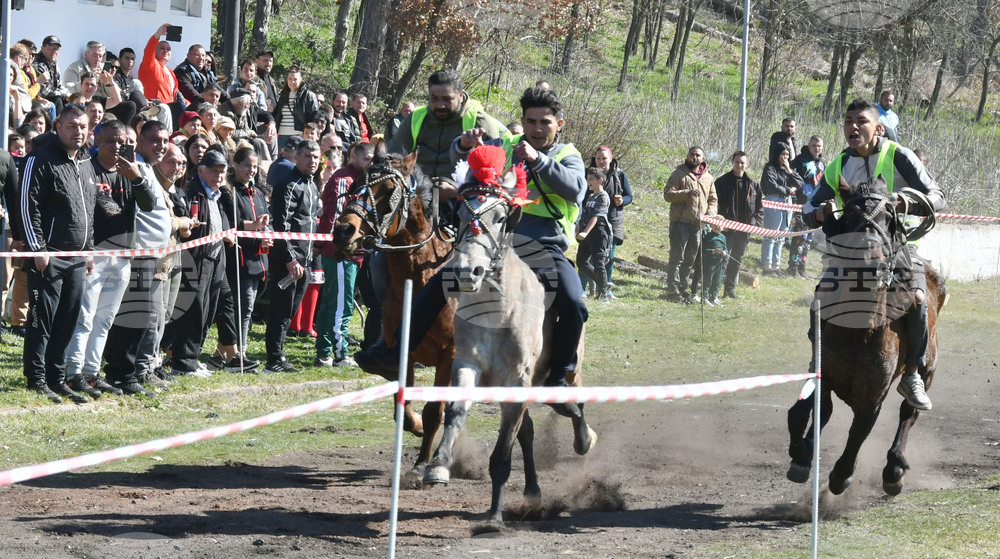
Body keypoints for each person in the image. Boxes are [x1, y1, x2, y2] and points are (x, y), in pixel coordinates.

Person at [358, 86, 588, 389]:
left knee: (573, 302)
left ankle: (561, 372)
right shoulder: (506, 145)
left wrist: (538, 161)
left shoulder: (568, 155)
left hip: (542, 248)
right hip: (492, 245)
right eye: (530, 121)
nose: (536, 129)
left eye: (544, 122)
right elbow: (469, 159)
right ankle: (394, 350)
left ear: (560, 124)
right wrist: (462, 145)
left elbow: (575, 189)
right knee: (438, 285)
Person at [803, 97, 946, 411]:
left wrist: (907, 201)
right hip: (850, 249)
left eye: (861, 121)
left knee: (919, 299)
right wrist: (818, 214)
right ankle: (817, 364)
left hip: (898, 246)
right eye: (848, 121)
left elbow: (938, 197)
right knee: (820, 296)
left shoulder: (900, 156)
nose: (852, 127)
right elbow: (808, 207)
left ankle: (911, 373)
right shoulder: (839, 163)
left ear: (878, 127)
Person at [63, 120, 158, 398]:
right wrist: (88, 250)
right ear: (96, 141)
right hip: (95, 255)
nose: (116, 147)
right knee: (85, 318)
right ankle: (73, 373)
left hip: (122, 256)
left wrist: (136, 178)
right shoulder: (87, 169)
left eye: (121, 142)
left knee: (105, 319)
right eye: (110, 141)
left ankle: (92, 374)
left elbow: (149, 204)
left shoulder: (128, 171)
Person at [20, 106, 97, 404]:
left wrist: (89, 250)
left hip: (78, 258)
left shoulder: (86, 161)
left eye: (83, 126)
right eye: (72, 125)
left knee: (67, 320)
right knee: (42, 322)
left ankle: (57, 378)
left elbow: (89, 211)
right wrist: (37, 249)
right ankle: (37, 379)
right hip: (49, 256)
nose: (78, 131)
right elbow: (28, 206)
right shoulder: (40, 159)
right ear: (57, 126)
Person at [164, 148, 232, 377]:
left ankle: (193, 357)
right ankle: (183, 362)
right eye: (214, 171)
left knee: (208, 311)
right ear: (201, 170)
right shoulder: (191, 192)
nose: (219, 176)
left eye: (223, 171)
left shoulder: (219, 195)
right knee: (192, 311)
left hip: (214, 259)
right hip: (195, 260)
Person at [314, 142, 374, 368]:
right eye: (366, 158)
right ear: (353, 157)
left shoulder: (361, 180)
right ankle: (339, 353)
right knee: (341, 304)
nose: (370, 163)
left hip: (352, 253)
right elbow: (335, 216)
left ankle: (324, 352)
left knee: (335, 301)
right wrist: (340, 246)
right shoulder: (344, 179)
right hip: (341, 252)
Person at [263, 140, 321, 374]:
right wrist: (290, 260)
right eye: (307, 156)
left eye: (316, 157)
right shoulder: (288, 184)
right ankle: (273, 358)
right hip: (288, 260)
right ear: (297, 157)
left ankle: (278, 353)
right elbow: (281, 225)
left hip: (305, 260)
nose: (312, 161)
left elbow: (310, 222)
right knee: (280, 310)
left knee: (290, 310)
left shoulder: (312, 186)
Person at [387, 68, 505, 179]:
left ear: (461, 96)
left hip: (464, 194)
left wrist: (455, 189)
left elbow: (495, 172)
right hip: (416, 192)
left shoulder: (480, 122)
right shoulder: (415, 118)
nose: (440, 105)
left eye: (447, 99)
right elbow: (393, 160)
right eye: (434, 99)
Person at [220, 145, 270, 369]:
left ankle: (221, 352)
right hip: (239, 258)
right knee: (244, 308)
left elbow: (265, 223)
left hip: (258, 258)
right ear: (236, 166)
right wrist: (256, 227)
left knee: (246, 307)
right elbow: (234, 224)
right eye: (247, 165)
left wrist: (265, 235)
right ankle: (239, 352)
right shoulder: (230, 192)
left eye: (255, 166)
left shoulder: (258, 192)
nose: (251, 170)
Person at [662, 146, 716, 304]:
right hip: (680, 222)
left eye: (698, 155)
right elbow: (667, 194)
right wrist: (687, 193)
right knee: (677, 257)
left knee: (690, 259)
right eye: (691, 154)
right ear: (687, 156)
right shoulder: (678, 173)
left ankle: (683, 287)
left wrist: (711, 214)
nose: (694, 157)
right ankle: (672, 289)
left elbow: (713, 199)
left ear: (703, 159)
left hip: (698, 224)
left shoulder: (708, 178)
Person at [713, 151, 762, 299]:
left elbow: (760, 208)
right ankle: (714, 290)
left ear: (747, 164)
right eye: (737, 162)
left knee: (736, 260)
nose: (739, 165)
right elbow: (714, 204)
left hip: (744, 230)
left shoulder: (753, 184)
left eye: (742, 162)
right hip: (726, 229)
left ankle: (730, 290)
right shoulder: (721, 182)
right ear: (732, 163)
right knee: (723, 259)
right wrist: (718, 222)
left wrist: (756, 224)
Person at [591, 145, 632, 298]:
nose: (601, 161)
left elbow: (629, 196)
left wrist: (623, 200)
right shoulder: (589, 174)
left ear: (611, 159)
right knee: (587, 257)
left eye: (604, 158)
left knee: (609, 257)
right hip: (592, 220)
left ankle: (606, 290)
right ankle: (584, 289)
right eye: (598, 158)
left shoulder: (620, 175)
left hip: (612, 222)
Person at [759, 144, 803, 276]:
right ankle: (767, 266)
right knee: (771, 234)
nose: (785, 157)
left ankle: (776, 266)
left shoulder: (787, 169)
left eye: (787, 155)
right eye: (782, 154)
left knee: (782, 236)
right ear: (776, 154)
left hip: (787, 202)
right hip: (774, 200)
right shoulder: (770, 167)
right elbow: (771, 185)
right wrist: (788, 190)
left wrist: (789, 169)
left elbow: (799, 183)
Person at [788, 135, 825, 277]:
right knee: (799, 236)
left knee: (809, 238)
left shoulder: (822, 163)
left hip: (815, 206)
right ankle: (793, 267)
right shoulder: (800, 160)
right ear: (809, 145)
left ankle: (802, 267)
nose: (817, 148)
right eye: (814, 145)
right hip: (801, 204)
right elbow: (791, 177)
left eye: (819, 146)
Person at [576, 167, 613, 301]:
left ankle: (603, 296)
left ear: (600, 180)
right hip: (587, 232)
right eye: (588, 179)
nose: (588, 182)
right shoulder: (591, 196)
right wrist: (579, 229)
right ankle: (603, 284)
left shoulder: (603, 196)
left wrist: (585, 232)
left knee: (598, 263)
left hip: (598, 232)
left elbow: (596, 216)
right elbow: (585, 215)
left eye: (591, 179)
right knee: (581, 261)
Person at [138, 24, 184, 128]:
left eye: (168, 49)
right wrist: (157, 35)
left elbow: (176, 94)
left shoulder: (170, 72)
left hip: (171, 110)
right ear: (155, 50)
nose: (166, 51)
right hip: (155, 109)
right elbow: (148, 50)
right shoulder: (150, 64)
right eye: (162, 48)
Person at [272, 66, 319, 149]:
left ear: (300, 79)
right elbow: (278, 114)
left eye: (295, 79)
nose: (292, 82)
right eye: (290, 79)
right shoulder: (282, 95)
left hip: (299, 135)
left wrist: (307, 133)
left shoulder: (309, 95)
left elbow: (313, 117)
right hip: (282, 134)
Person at [32, 35, 69, 114]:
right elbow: (44, 92)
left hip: (51, 96)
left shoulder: (54, 63)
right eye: (51, 47)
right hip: (38, 99)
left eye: (56, 48)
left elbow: (59, 85)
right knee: (57, 100)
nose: (54, 51)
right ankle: (58, 126)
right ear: (42, 48)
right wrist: (64, 94)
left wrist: (67, 95)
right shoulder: (37, 64)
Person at [700, 222, 728, 307]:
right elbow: (703, 249)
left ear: (723, 227)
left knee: (717, 280)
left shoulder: (723, 237)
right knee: (708, 280)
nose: (717, 226)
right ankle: (704, 297)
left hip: (719, 262)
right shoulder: (708, 236)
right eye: (715, 224)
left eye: (720, 225)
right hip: (709, 262)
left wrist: (724, 253)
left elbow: (726, 249)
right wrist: (713, 251)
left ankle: (714, 297)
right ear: (711, 225)